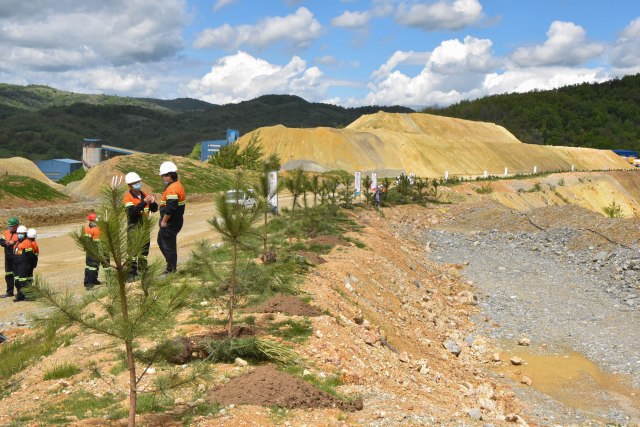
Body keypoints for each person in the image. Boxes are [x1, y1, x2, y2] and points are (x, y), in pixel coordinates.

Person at [123, 172, 158, 281]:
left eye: (138, 182)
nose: (138, 184)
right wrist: (143, 202)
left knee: (144, 251)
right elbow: (132, 213)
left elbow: (154, 209)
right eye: (135, 183)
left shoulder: (144, 194)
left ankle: (142, 271)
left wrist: (152, 203)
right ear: (129, 186)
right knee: (133, 252)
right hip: (134, 226)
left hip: (144, 226)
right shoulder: (128, 197)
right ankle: (131, 274)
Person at [157, 161, 186, 274]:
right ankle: (171, 265)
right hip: (175, 220)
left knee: (169, 246)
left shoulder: (173, 188)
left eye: (163, 176)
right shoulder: (176, 185)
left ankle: (171, 270)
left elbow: (171, 207)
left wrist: (164, 221)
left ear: (169, 175)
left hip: (170, 222)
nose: (162, 178)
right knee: (161, 241)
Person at [13, 225, 35, 302]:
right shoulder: (17, 242)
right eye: (18, 233)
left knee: (23, 281)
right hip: (16, 264)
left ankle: (29, 295)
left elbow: (30, 255)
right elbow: (16, 253)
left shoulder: (27, 243)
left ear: (25, 234)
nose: (20, 234)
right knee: (17, 281)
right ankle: (20, 296)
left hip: (23, 265)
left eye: (21, 233)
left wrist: (29, 265)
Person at [0, 217, 20, 298]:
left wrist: (13, 243)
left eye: (11, 226)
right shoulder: (6, 232)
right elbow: (1, 240)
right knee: (8, 275)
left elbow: (23, 243)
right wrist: (5, 243)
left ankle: (20, 292)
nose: (10, 227)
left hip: (16, 257)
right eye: (9, 226)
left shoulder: (20, 233)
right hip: (8, 257)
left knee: (17, 276)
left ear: (16, 226)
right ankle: (9, 292)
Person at [83, 212, 102, 290]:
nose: (94, 222)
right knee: (92, 266)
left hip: (95, 249)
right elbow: (87, 240)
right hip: (92, 250)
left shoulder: (91, 228)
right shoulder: (91, 229)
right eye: (93, 221)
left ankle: (93, 280)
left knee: (93, 266)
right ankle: (89, 284)